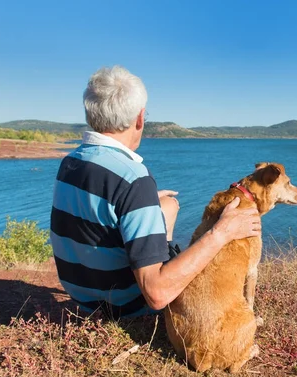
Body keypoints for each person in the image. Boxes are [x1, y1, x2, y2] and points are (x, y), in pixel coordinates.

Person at [50, 66, 261, 318]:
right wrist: (222, 232)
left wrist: (139, 204)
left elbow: (98, 210)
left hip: (84, 297)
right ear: (139, 119)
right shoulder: (132, 178)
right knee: (202, 249)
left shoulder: (72, 161)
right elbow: (157, 295)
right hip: (127, 308)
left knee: (168, 205)